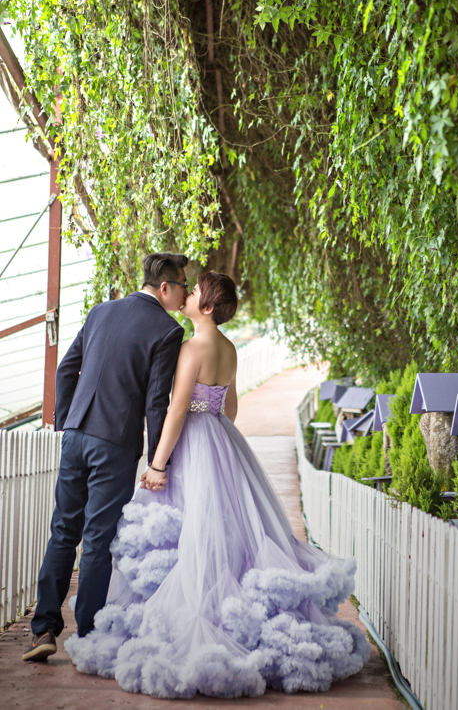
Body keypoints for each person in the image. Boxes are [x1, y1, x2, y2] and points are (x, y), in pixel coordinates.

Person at [65, 271, 369, 699]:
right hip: (222, 439)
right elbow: (230, 405)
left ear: (206, 307)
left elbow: (174, 410)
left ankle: (199, 612)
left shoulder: (192, 347)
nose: (187, 294)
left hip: (192, 439)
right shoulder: (226, 347)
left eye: (196, 292)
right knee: (230, 529)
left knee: (189, 529)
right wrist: (215, 435)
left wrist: (157, 464)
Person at [22, 253, 189, 661]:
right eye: (183, 284)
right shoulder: (168, 331)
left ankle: (43, 629)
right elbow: (156, 403)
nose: (186, 292)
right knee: (97, 539)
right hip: (115, 443)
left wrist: (68, 419)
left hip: (77, 434)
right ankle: (88, 636)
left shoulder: (100, 311)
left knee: (63, 531)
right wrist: (157, 463)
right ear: (165, 287)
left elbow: (66, 369)